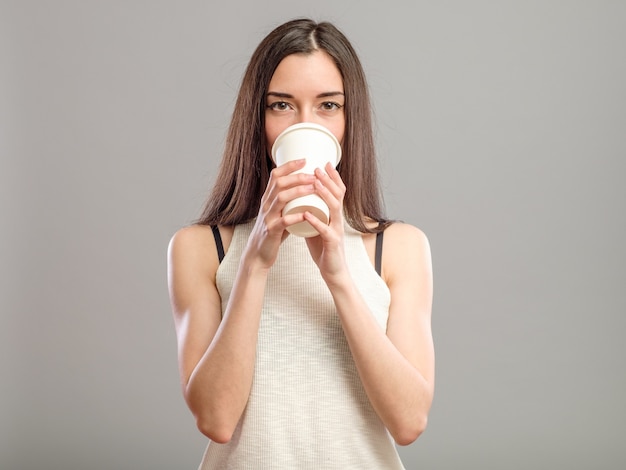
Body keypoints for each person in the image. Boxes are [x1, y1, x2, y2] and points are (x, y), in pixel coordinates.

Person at [167, 18, 434, 469]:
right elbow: (216, 419)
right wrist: (254, 260)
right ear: (258, 118)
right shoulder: (200, 247)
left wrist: (339, 277)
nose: (306, 123)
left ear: (350, 119)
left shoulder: (398, 246)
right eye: (282, 106)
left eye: (328, 104)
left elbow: (409, 422)